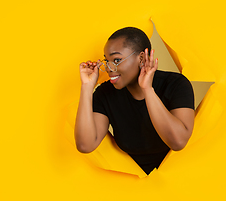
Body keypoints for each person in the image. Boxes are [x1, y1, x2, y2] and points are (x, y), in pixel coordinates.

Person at [75, 27, 195, 175]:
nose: (109, 68)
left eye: (117, 60)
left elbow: (178, 142)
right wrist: (87, 87)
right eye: (107, 61)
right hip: (131, 182)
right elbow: (85, 145)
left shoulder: (176, 84)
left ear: (141, 58)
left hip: (180, 175)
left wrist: (147, 89)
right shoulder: (105, 94)